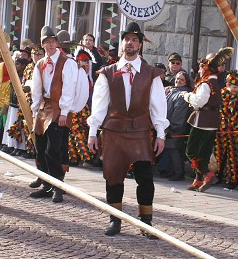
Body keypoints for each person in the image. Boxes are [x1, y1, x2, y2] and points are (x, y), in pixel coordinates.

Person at [87, 21, 168, 237]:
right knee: (113, 176)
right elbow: (99, 104)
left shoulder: (151, 74)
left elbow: (158, 106)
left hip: (140, 130)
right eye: (126, 40)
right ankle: (115, 219)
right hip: (113, 131)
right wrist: (92, 131)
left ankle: (146, 221)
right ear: (122, 44)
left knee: (145, 177)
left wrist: (160, 134)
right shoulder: (108, 72)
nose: (130, 43)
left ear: (140, 45)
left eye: (134, 40)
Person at [29, 26, 78, 203]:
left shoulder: (67, 62)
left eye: (52, 41)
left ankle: (58, 186)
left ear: (57, 43)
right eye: (46, 42)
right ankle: (46, 185)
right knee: (40, 147)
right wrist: (35, 110)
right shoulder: (40, 64)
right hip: (44, 108)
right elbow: (36, 89)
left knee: (54, 149)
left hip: (58, 108)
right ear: (42, 45)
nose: (50, 45)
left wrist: (65, 111)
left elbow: (69, 88)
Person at [183, 47, 233, 192]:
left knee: (191, 151)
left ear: (206, 69)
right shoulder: (215, 82)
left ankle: (207, 174)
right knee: (203, 153)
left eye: (201, 67)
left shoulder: (206, 83)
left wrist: (187, 96)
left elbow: (199, 102)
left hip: (202, 120)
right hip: (211, 121)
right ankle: (198, 181)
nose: (199, 70)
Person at [214, 72, 238, 189]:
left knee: (234, 156)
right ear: (228, 85)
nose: (236, 90)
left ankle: (232, 179)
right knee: (218, 154)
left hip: (235, 130)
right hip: (222, 130)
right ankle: (214, 176)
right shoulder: (220, 95)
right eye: (234, 87)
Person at [163, 71, 192, 181]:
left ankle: (179, 172)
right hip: (168, 124)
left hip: (175, 127)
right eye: (177, 78)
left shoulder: (182, 94)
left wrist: (173, 127)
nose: (178, 81)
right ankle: (173, 171)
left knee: (174, 150)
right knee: (170, 149)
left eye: (181, 79)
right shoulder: (172, 90)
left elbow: (179, 113)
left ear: (186, 82)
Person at [68, 50, 94, 165]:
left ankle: (82, 157)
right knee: (74, 131)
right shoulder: (75, 75)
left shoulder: (91, 78)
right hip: (75, 108)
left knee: (83, 132)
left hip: (86, 109)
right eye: (83, 62)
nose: (86, 65)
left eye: (87, 63)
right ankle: (78, 157)